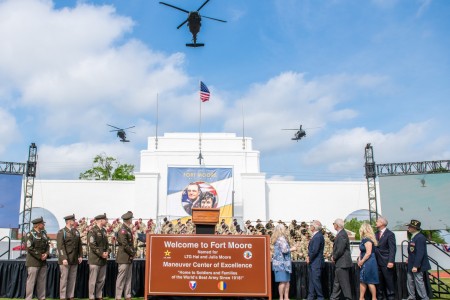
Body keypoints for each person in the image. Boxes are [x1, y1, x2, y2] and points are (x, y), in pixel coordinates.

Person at [56, 214, 83, 300]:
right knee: (64, 279)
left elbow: (79, 245)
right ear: (68, 221)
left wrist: (80, 255)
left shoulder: (76, 231)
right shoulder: (62, 232)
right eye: (73, 220)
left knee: (72, 278)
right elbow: (60, 246)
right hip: (66, 259)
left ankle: (70, 295)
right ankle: (63, 296)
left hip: (74, 259)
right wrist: (63, 258)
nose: (74, 222)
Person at [405, 219, 431, 300]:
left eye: (410, 227)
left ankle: (424, 297)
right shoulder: (414, 237)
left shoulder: (420, 237)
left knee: (418, 281)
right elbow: (412, 251)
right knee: (410, 281)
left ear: (414, 228)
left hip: (417, 264)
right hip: (411, 263)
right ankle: (412, 296)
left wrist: (416, 265)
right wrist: (409, 259)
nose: (408, 228)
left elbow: (420, 253)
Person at [25, 217, 49, 300]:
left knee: (42, 281)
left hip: (43, 262)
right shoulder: (30, 234)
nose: (44, 225)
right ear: (38, 225)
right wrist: (40, 256)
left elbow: (47, 245)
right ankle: (28, 298)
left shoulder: (44, 234)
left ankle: (41, 298)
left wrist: (46, 253)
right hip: (33, 262)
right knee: (31, 282)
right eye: (42, 223)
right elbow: (29, 247)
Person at [88, 213, 110, 300]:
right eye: (105, 220)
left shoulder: (104, 231)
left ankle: (99, 295)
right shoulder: (92, 231)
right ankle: (91, 296)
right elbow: (92, 245)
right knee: (93, 280)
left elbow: (107, 244)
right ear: (101, 220)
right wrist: (101, 254)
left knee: (101, 280)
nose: (106, 221)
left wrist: (107, 252)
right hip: (95, 259)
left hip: (103, 260)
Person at [271, 224, 296, 300]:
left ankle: (286, 297)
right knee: (283, 282)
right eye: (284, 228)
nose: (285, 230)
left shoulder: (278, 238)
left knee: (286, 281)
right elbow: (284, 250)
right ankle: (282, 298)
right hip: (282, 264)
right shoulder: (281, 239)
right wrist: (293, 248)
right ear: (281, 230)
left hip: (283, 264)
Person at [330, 218, 353, 300]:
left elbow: (340, 249)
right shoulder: (340, 234)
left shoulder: (342, 234)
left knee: (344, 283)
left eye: (333, 223)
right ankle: (334, 298)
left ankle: (348, 298)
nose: (333, 225)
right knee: (337, 282)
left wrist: (334, 257)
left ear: (337, 225)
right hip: (340, 263)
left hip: (342, 263)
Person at [115, 211, 136, 300]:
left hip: (128, 257)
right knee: (121, 278)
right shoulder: (123, 230)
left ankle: (127, 295)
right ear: (128, 220)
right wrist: (133, 253)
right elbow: (125, 244)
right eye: (131, 218)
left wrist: (132, 254)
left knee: (128, 278)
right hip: (124, 257)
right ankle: (118, 296)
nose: (131, 220)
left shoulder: (127, 229)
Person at [374, 216, 396, 300]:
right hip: (376, 261)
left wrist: (391, 261)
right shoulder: (376, 234)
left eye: (377, 221)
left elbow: (392, 249)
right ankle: (380, 296)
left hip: (386, 261)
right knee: (379, 280)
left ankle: (391, 296)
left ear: (382, 223)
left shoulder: (390, 234)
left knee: (388, 280)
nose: (376, 223)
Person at [358, 223, 379, 300]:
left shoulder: (368, 240)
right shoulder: (363, 239)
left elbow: (368, 252)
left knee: (370, 280)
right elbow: (362, 252)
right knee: (362, 280)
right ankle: (361, 297)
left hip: (369, 262)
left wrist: (362, 261)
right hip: (364, 261)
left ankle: (374, 297)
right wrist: (359, 259)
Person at [306, 220, 325, 300]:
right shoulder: (316, 235)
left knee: (316, 280)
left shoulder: (318, 236)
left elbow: (315, 250)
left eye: (311, 225)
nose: (310, 226)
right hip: (314, 262)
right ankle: (311, 296)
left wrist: (309, 258)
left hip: (316, 262)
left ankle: (320, 297)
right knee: (312, 280)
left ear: (314, 227)